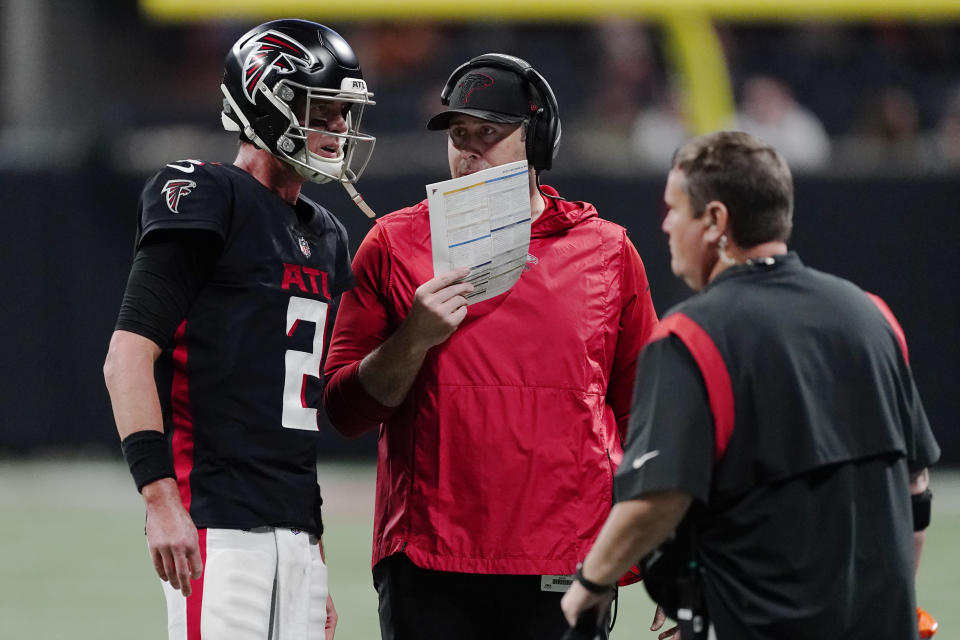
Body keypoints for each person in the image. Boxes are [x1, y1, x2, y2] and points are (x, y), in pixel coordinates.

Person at [321, 53, 658, 639]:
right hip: (429, 559)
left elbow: (645, 417)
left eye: (490, 133)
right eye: (458, 134)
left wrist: (663, 553)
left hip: (565, 558)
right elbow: (344, 410)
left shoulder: (608, 253)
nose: (469, 148)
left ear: (540, 140)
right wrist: (414, 338)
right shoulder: (393, 245)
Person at [561, 131, 940, 639]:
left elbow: (655, 503)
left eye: (675, 209)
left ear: (716, 220)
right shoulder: (873, 316)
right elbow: (915, 491)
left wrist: (589, 585)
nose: (666, 224)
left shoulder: (690, 335)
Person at [102, 18, 376, 639]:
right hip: (217, 527)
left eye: (342, 112)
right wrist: (160, 499)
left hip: (296, 534)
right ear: (265, 101)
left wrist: (314, 551)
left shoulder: (327, 234)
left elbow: (291, 425)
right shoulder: (207, 194)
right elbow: (126, 359)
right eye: (321, 109)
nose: (338, 127)